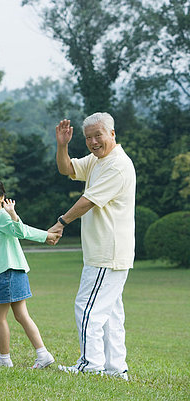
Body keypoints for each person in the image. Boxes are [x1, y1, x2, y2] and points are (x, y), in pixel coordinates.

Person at [49, 113, 136, 381]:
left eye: (98, 135)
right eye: (88, 138)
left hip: (106, 252)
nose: (93, 142)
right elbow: (67, 170)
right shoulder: (99, 160)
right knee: (110, 313)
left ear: (112, 133)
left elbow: (87, 201)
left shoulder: (117, 165)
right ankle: (115, 369)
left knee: (87, 307)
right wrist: (62, 145)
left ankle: (90, 365)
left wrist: (61, 222)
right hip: (108, 252)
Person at [0, 176, 60, 369]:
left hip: (8, 273)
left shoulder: (1, 217)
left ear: (2, 197)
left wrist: (46, 236)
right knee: (21, 315)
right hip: (14, 271)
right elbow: (19, 229)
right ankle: (43, 354)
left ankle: (5, 360)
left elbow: (21, 231)